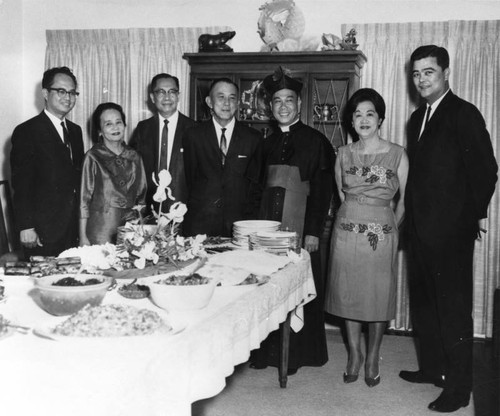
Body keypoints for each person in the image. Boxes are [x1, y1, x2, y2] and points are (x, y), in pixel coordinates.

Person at [401, 45, 497, 413]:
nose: (422, 79)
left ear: (446, 73)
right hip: (420, 231)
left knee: (454, 310)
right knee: (425, 303)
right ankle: (431, 369)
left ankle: (459, 390)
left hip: (451, 234)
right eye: (416, 73)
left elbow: (487, 171)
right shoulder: (416, 119)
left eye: (429, 72)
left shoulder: (464, 114)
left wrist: (467, 219)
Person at [250, 66, 334, 374]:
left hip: (302, 230)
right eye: (277, 101)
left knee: (298, 291)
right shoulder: (266, 143)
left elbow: (323, 192)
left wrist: (313, 232)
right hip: (267, 231)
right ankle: (266, 354)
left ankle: (298, 355)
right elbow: (256, 190)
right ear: (270, 107)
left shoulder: (317, 142)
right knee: (268, 288)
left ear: (299, 104)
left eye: (289, 100)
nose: (283, 106)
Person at [324, 88, 409, 387]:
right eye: (357, 114)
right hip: (347, 231)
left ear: (380, 118)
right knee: (349, 295)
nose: (363, 119)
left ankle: (373, 355)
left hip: (382, 232)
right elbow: (340, 194)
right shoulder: (343, 154)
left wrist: (388, 228)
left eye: (369, 113)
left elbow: (404, 202)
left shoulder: (398, 153)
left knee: (377, 296)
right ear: (351, 121)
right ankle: (354, 355)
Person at [11, 66, 84, 258]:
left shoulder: (76, 132)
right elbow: (21, 184)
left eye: (72, 92)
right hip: (42, 230)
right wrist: (26, 226)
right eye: (61, 91)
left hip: (72, 228)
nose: (67, 97)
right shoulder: (27, 131)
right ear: (45, 93)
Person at [182, 78, 262, 237]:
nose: (227, 103)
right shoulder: (193, 135)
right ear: (209, 101)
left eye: (232, 98)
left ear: (238, 103)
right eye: (221, 97)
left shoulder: (253, 138)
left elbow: (256, 187)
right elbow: (189, 179)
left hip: (239, 227)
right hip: (199, 225)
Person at [79, 102, 147, 245]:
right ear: (99, 130)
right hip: (99, 232)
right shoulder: (92, 157)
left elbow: (141, 198)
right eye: (108, 124)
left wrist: (140, 231)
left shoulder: (135, 156)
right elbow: (83, 200)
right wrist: (83, 237)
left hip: (130, 232)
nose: (115, 127)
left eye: (118, 122)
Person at [130, 73, 195, 216]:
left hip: (184, 211)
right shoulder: (142, 129)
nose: (167, 97)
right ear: (152, 98)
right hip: (150, 211)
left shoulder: (194, 129)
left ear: (178, 96)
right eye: (161, 92)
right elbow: (134, 172)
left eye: (172, 92)